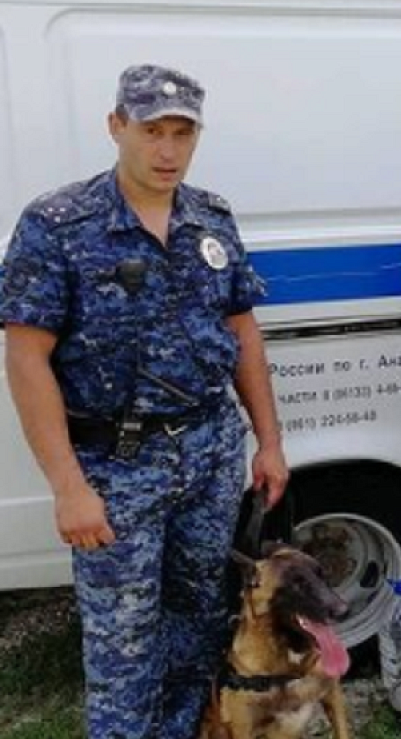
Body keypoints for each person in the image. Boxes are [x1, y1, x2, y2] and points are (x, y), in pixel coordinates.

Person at [0, 64, 288, 738]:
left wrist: (269, 442)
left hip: (210, 453)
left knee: (198, 622)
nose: (167, 150)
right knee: (123, 650)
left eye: (181, 133)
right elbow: (26, 357)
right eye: (151, 131)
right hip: (116, 465)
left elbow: (241, 330)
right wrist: (68, 486)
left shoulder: (211, 217)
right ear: (116, 127)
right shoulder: (57, 224)